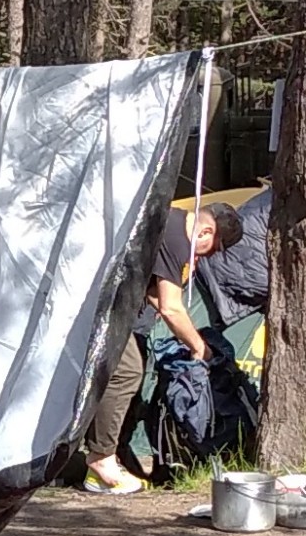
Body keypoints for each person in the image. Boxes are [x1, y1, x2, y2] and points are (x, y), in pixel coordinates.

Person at [83, 201, 244, 494]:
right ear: (206, 232)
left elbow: (153, 290)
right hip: (106, 308)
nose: (206, 255)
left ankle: (116, 453)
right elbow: (172, 309)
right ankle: (100, 460)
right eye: (213, 248)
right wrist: (200, 348)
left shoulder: (170, 221)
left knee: (137, 367)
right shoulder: (176, 238)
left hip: (124, 306)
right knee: (127, 372)